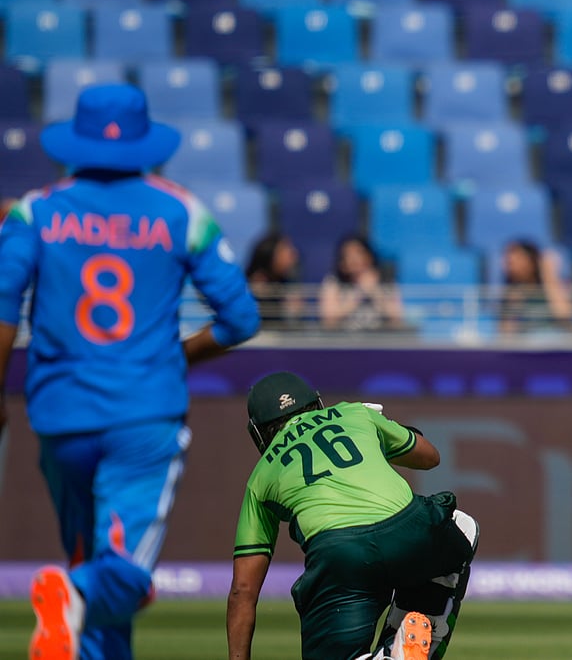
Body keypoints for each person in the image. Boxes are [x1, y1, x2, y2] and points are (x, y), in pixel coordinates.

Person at [0, 83, 261, 660]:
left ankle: (74, 600)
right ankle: (72, 593)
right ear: (146, 142)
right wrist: (179, 355)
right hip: (144, 415)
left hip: (60, 415)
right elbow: (241, 318)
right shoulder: (181, 211)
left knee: (91, 561)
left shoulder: (35, 210)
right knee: (122, 575)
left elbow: (2, 302)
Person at [227, 371, 478, 660]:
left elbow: (243, 591)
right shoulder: (353, 413)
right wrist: (381, 431)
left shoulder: (259, 478)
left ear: (259, 433)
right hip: (413, 529)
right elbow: (429, 457)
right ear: (316, 403)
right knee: (460, 527)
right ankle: (411, 637)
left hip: (341, 556)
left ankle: (393, 655)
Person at [318, 234, 408, 332]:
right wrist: (358, 292)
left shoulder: (386, 280)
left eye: (359, 253)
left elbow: (396, 319)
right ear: (342, 263)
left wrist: (374, 291)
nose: (354, 259)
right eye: (348, 255)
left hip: (380, 339)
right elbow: (329, 321)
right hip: (344, 339)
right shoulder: (334, 282)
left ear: (369, 256)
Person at [497, 239, 572, 336]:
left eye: (516, 260)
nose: (510, 266)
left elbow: (564, 316)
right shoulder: (511, 294)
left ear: (532, 261)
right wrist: (512, 307)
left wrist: (549, 276)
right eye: (508, 262)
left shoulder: (557, 285)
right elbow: (505, 335)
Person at [245, 232, 306, 329]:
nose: (293, 254)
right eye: (285, 250)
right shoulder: (250, 290)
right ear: (270, 256)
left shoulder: (288, 284)